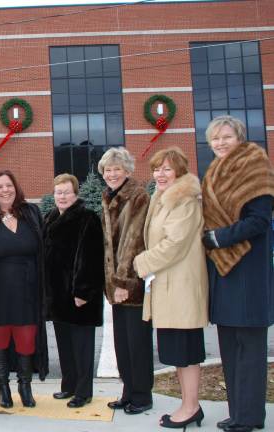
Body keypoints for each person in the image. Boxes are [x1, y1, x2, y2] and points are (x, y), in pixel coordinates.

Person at [200, 115, 274, 432]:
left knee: (250, 350)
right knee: (229, 347)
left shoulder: (255, 167)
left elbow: (259, 221)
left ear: (240, 137)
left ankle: (250, 416)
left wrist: (219, 238)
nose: (220, 143)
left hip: (247, 271)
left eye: (226, 136)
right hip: (222, 271)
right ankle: (238, 412)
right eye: (215, 138)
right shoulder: (215, 171)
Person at [133, 147, 208, 428]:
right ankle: (189, 405)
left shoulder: (185, 200)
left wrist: (142, 262)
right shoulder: (162, 198)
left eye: (166, 169)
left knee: (186, 352)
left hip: (181, 289)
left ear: (179, 171)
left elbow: (175, 244)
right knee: (177, 353)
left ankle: (191, 407)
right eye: (156, 169)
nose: (160, 174)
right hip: (167, 287)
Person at [0, 170, 48, 409]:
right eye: (0, 187)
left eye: (9, 186)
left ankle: (25, 385)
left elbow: (43, 249)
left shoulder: (31, 213)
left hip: (27, 289)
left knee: (26, 338)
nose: (5, 190)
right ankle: (2, 386)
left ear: (15, 188)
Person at [99, 147, 154, 415]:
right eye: (108, 170)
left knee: (138, 344)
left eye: (116, 169)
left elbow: (133, 242)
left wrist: (123, 283)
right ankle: (128, 391)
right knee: (123, 343)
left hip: (132, 284)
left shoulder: (138, 196)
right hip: (115, 286)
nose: (111, 174)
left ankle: (142, 396)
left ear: (128, 171)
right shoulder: (109, 197)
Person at [43, 173, 104, 409]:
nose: (62, 196)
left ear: (75, 194)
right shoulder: (48, 217)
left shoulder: (87, 218)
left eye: (67, 192)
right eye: (58, 192)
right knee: (64, 345)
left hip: (79, 295)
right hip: (57, 296)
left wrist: (83, 292)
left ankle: (83, 391)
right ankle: (68, 385)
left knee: (81, 347)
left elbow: (90, 257)